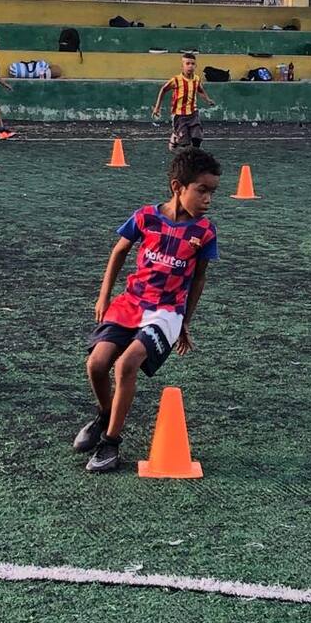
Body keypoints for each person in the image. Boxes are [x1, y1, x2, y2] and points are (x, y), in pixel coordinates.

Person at [74, 147, 221, 473]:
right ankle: (104, 413)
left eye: (212, 192)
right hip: (130, 302)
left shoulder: (205, 232)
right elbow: (119, 252)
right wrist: (104, 297)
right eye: (202, 190)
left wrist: (184, 321)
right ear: (176, 187)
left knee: (125, 364)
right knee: (96, 364)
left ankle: (111, 443)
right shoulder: (145, 217)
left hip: (166, 313)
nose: (208, 199)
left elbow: (198, 280)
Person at [152, 52, 215, 150]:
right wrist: (157, 108)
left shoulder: (196, 79)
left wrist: (208, 99)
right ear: (182, 66)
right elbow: (163, 90)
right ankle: (175, 138)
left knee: (197, 138)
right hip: (179, 115)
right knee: (184, 143)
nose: (190, 66)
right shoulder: (176, 80)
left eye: (192, 64)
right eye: (187, 63)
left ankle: (194, 158)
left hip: (193, 114)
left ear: (196, 66)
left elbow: (200, 90)